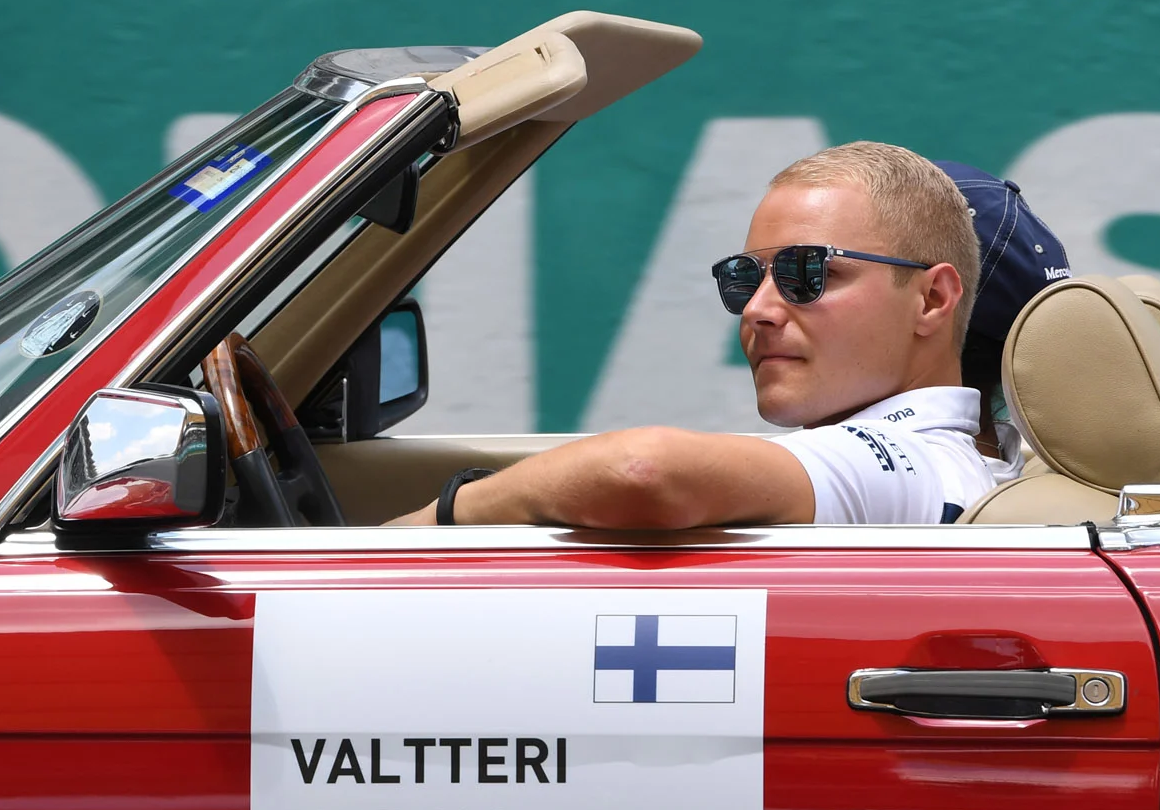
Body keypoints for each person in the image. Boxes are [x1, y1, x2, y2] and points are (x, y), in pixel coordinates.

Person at [389, 141, 994, 528]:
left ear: (932, 299)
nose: (757, 309)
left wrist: (439, 520)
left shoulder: (906, 461)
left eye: (808, 272)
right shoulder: (945, 463)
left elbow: (643, 472)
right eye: (743, 277)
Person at [933, 160, 1072, 484]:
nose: (790, 304)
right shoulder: (1005, 470)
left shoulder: (882, 476)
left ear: (931, 302)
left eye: (826, 271)